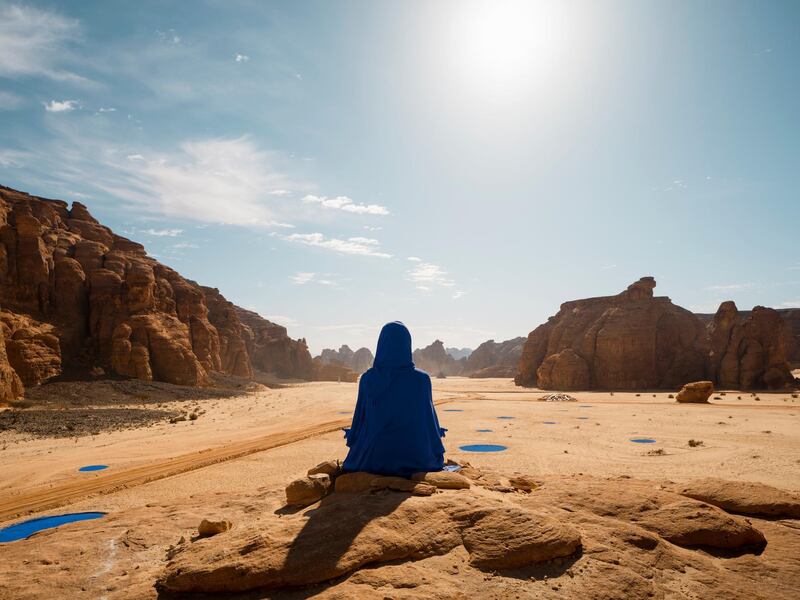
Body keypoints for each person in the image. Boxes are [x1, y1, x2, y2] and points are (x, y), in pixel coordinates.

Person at [342, 321, 446, 476]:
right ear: (407, 344)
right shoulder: (422, 379)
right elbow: (429, 422)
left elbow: (360, 419)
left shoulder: (368, 379)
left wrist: (353, 437)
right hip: (417, 456)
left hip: (373, 457)